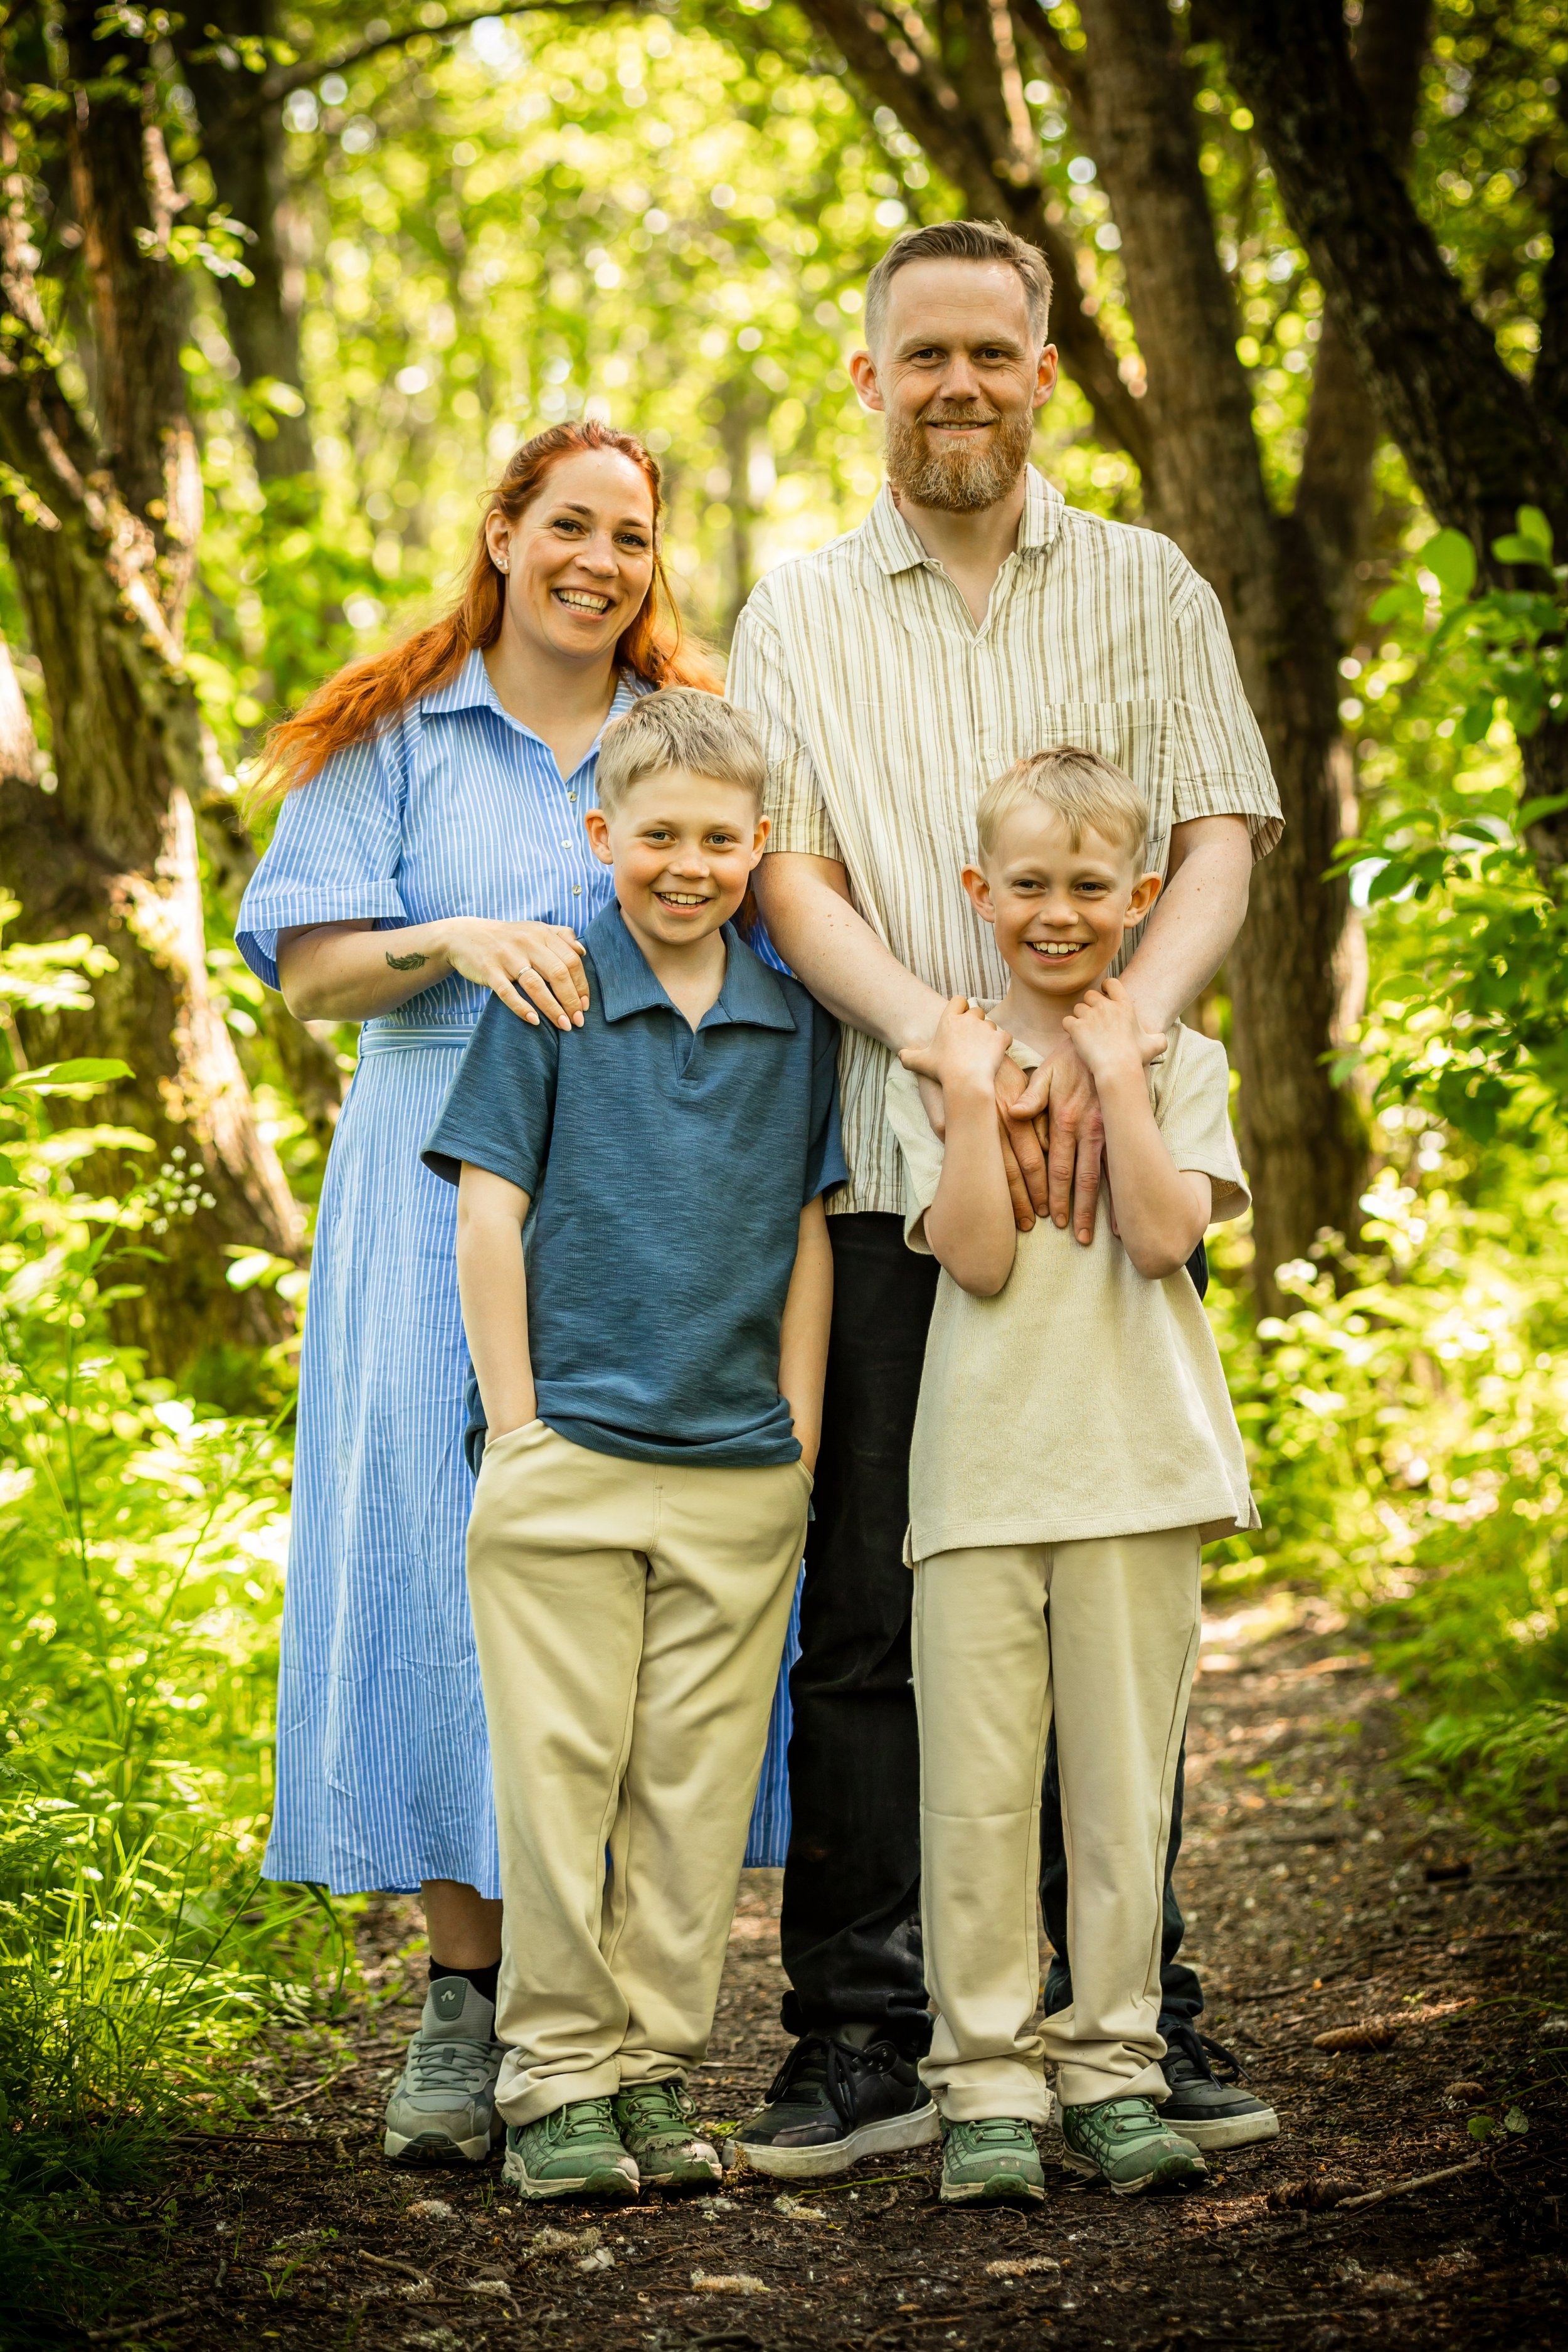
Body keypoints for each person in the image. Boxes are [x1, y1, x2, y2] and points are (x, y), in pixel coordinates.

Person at [731, 219, 1282, 2177]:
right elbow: (786, 870)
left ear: (1041, 372)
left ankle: (1129, 2010)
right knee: (877, 1616)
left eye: (990, 350)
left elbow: (1216, 832)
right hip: (905, 1163)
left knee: (1105, 1614)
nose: (955, 382)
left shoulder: (1146, 582)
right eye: (922, 353)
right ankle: (865, 2031)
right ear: (867, 377)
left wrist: (1114, 1031)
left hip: (1114, 1169)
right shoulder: (798, 607)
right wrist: (949, 1040)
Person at [234, 422, 797, 2169]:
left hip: (648, 1217)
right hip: (434, 1205)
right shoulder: (394, 734)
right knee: (442, 1567)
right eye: (567, 524)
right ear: (500, 532)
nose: (596, 561)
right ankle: (464, 2002)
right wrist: (454, 939)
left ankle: (607, 2014)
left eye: (629, 534)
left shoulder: (681, 730)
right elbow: (312, 972)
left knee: (624, 1609)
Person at [420, 689, 841, 2201]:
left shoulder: (793, 1023)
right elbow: (489, 1214)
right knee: (560, 1784)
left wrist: (798, 1448)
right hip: (571, 1461)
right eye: (657, 835)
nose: (687, 866)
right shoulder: (551, 993)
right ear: (602, 835)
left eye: (718, 841)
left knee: (693, 1795)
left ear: (757, 846)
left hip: (739, 1472)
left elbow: (806, 1237)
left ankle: (650, 2070)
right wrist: (517, 1429)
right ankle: (550, 2081)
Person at [886, 747, 1256, 2203]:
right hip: (978, 1480)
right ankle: (983, 2086)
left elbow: (1161, 1238)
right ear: (976, 892)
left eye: (1088, 886)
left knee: (1118, 1804)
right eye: (1027, 884)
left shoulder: (1185, 1064)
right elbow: (975, 1258)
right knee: (974, 1803)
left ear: (1139, 895)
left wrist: (1114, 1072)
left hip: (1136, 1475)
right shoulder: (938, 1061)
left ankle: (1112, 2068)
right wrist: (979, 1097)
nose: (1056, 912)